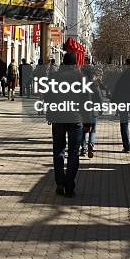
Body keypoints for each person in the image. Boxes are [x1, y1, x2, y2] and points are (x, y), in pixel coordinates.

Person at [46, 51, 86, 196]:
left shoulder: (55, 76)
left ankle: (60, 183)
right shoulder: (80, 77)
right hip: (76, 119)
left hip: (58, 117)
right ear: (75, 62)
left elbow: (49, 97)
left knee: (58, 150)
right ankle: (70, 185)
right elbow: (86, 99)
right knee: (74, 152)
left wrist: (49, 114)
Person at [80, 66, 103, 159]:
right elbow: (100, 98)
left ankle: (83, 148)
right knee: (92, 130)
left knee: (83, 131)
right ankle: (91, 144)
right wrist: (101, 109)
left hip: (83, 111)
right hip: (93, 111)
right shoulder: (95, 85)